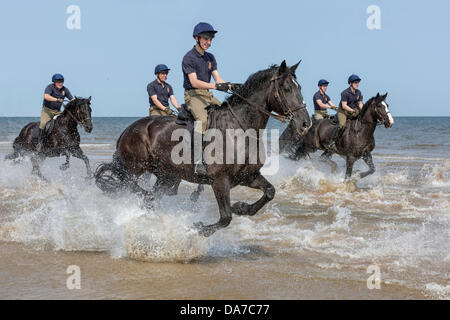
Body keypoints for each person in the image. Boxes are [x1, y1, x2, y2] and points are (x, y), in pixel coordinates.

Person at [182, 22, 230, 174]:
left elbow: (218, 79)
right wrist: (216, 87)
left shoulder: (211, 58)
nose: (209, 42)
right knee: (202, 120)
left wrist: (229, 86)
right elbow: (194, 82)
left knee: (228, 113)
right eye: (206, 39)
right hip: (193, 95)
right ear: (197, 38)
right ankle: (197, 161)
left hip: (208, 95)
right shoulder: (189, 58)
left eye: (210, 40)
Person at [37, 74, 74, 152]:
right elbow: (46, 96)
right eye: (58, 82)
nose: (60, 83)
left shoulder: (65, 90)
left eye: (61, 81)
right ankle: (40, 143)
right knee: (43, 124)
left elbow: (72, 99)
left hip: (57, 112)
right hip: (47, 111)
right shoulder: (49, 87)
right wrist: (57, 99)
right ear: (54, 82)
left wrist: (78, 103)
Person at [328, 74, 364, 151]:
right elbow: (344, 106)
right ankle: (332, 142)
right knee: (342, 125)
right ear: (350, 83)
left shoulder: (359, 92)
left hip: (353, 110)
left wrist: (361, 109)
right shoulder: (345, 93)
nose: (357, 84)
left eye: (358, 82)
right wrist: (352, 111)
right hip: (343, 111)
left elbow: (360, 103)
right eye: (355, 82)